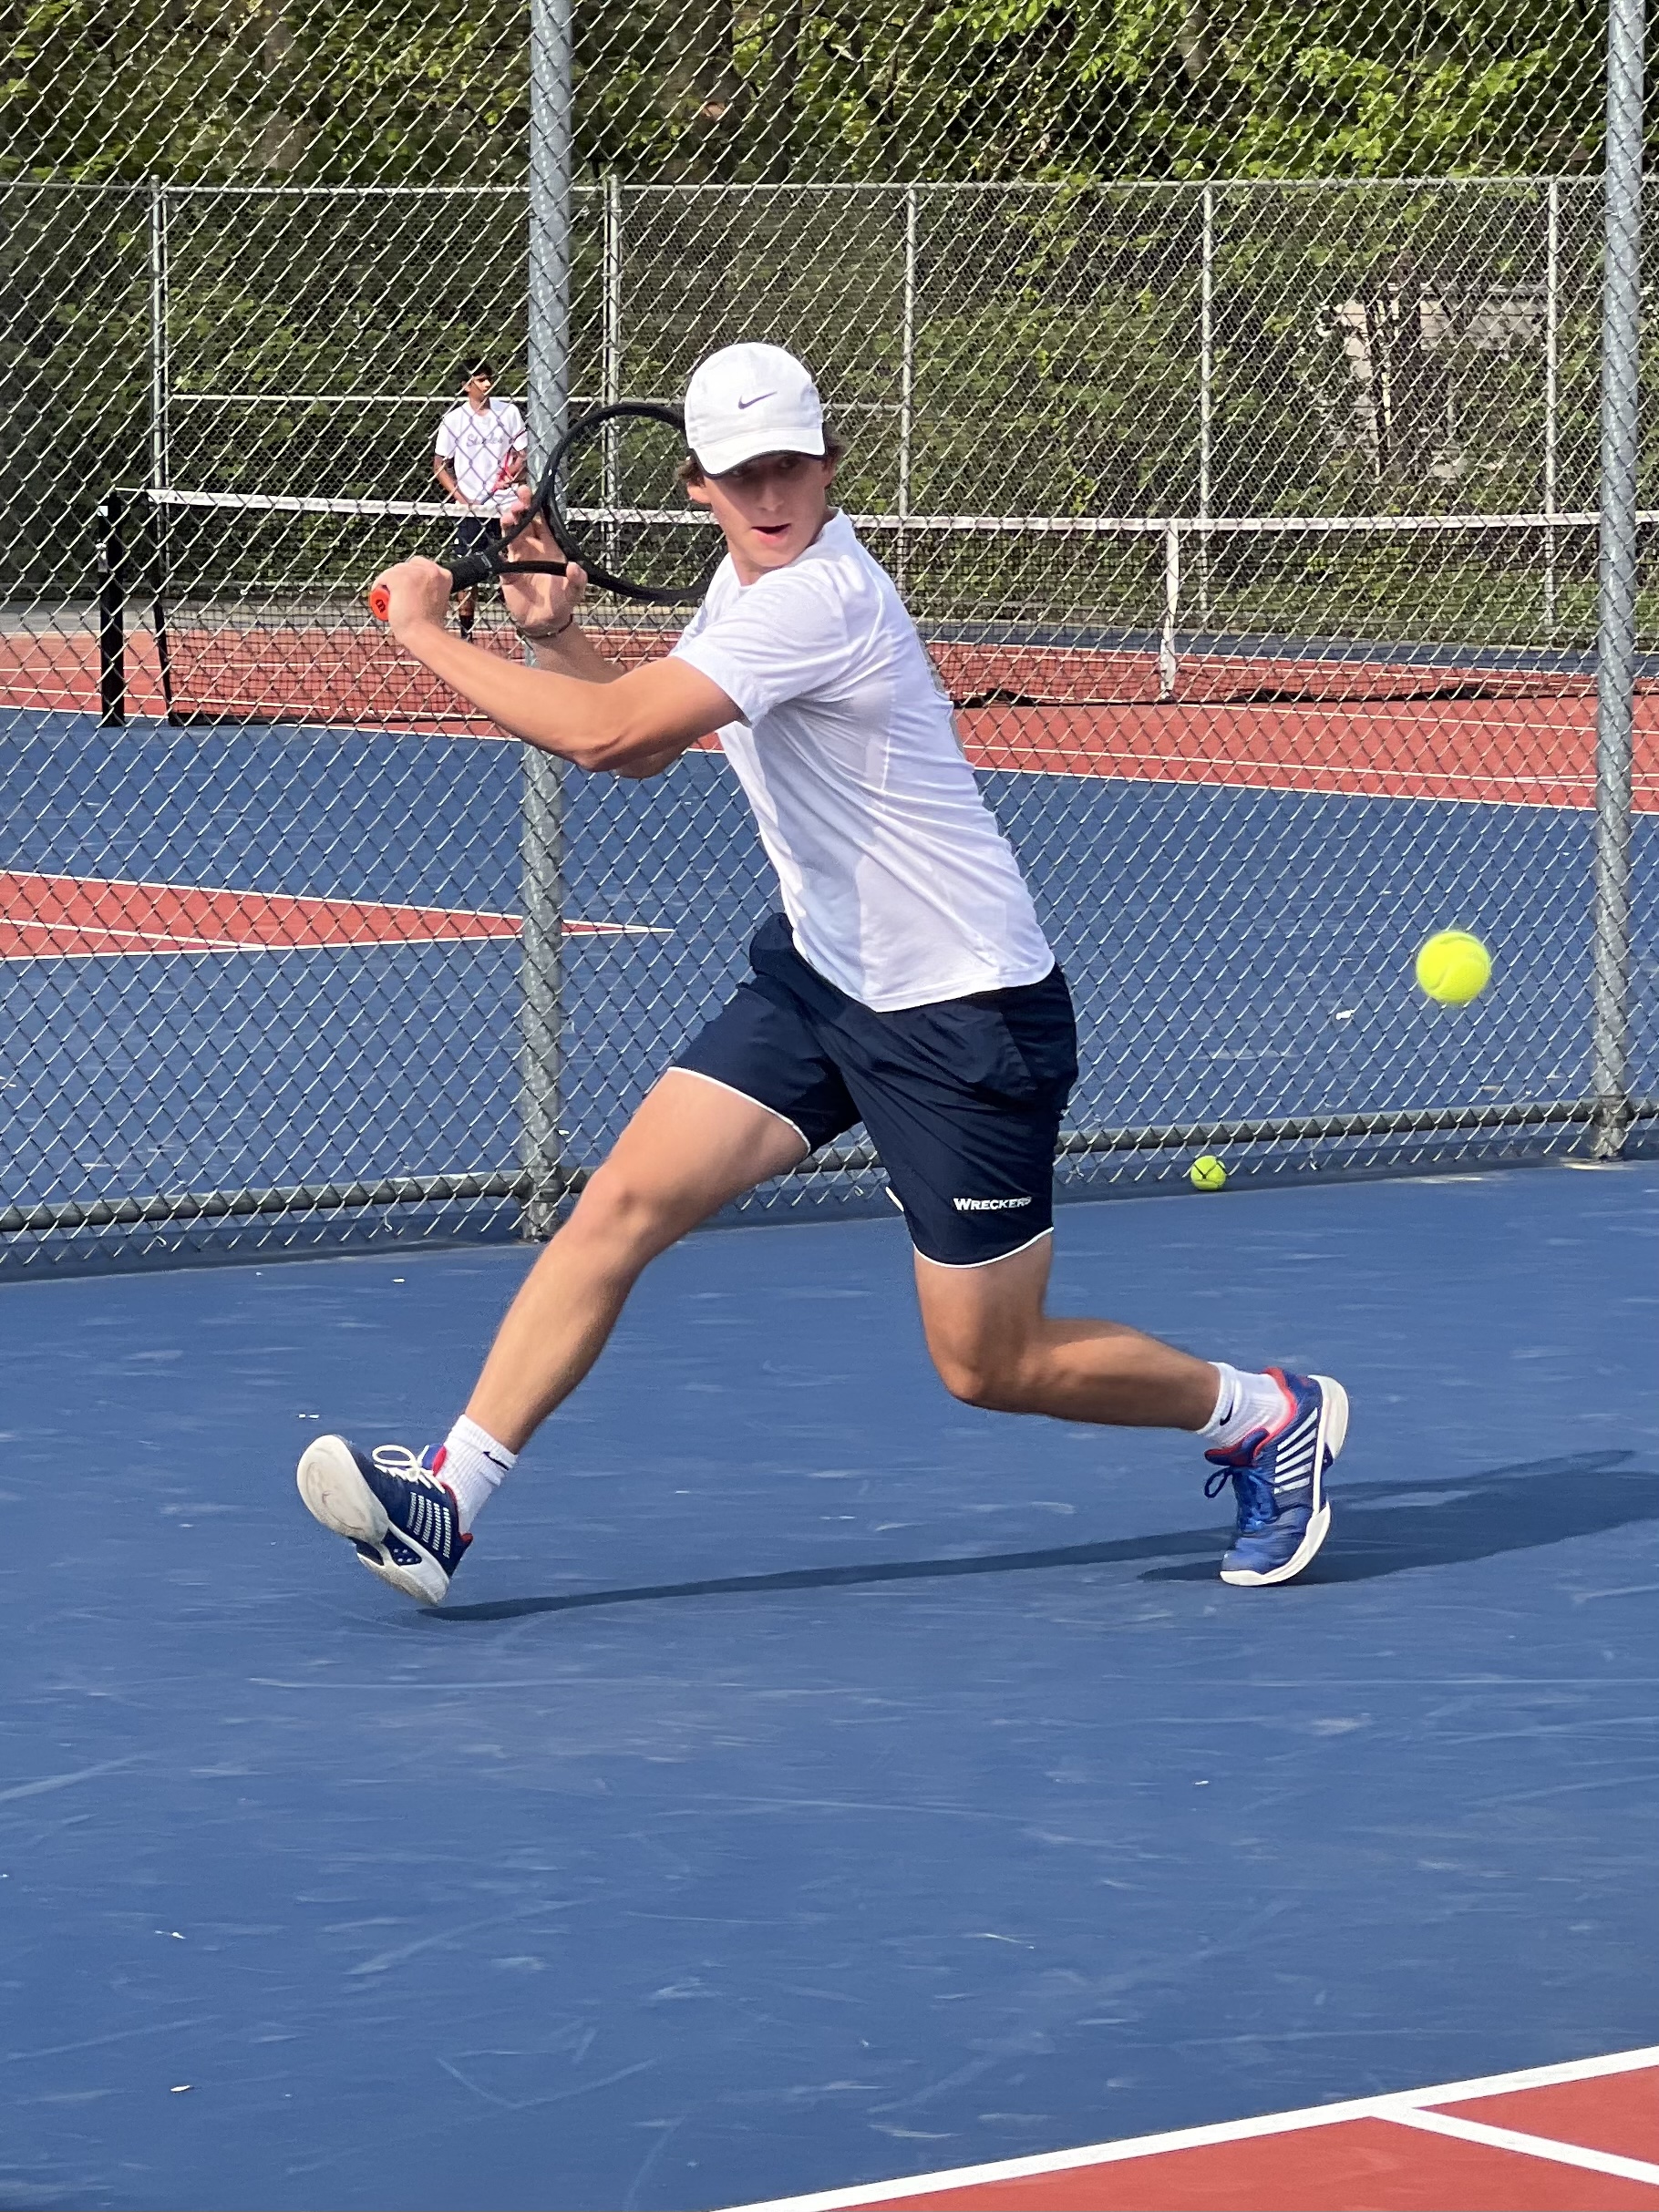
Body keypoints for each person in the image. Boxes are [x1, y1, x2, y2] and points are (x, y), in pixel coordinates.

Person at [298, 342, 1348, 1604]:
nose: (770, 494)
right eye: (742, 474)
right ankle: (448, 1499)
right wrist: (560, 634)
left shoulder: (822, 598)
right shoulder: (741, 588)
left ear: (829, 465)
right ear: (698, 483)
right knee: (617, 1208)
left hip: (962, 1009)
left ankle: (1259, 1413)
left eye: (789, 466)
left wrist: (421, 630)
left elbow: (609, 737)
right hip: (820, 978)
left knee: (989, 1363)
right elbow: (646, 744)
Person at [431, 358, 526, 637]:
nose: (487, 384)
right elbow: (439, 465)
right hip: (470, 510)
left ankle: (524, 625)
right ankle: (466, 633)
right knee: (468, 570)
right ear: (466, 386)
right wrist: (462, 499)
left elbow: (523, 454)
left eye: (488, 378)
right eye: (480, 379)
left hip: (505, 506)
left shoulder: (509, 412)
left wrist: (512, 474)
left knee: (513, 566)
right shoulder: (454, 420)